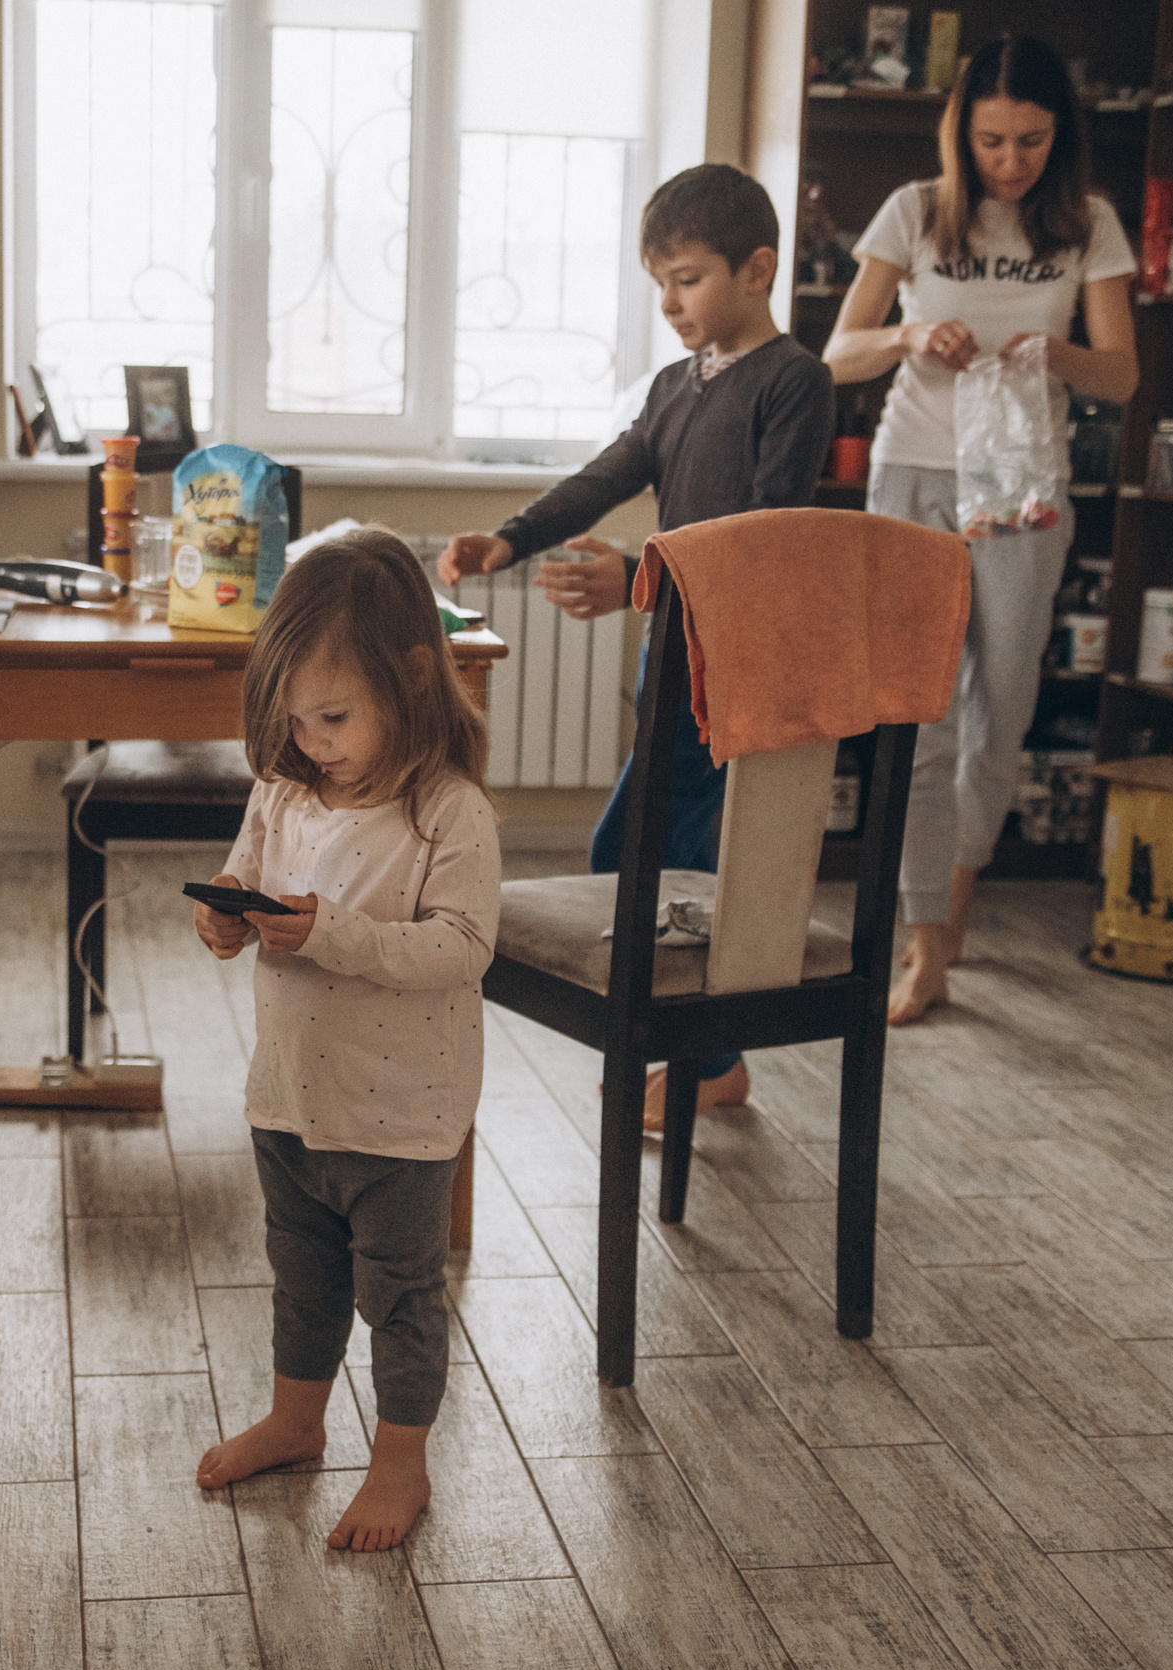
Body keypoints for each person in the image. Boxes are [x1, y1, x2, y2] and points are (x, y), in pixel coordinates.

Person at [435, 163, 835, 1131]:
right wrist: (512, 537)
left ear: (758, 268)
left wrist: (637, 575)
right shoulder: (673, 386)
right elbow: (605, 474)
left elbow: (763, 535)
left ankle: (706, 1057)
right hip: (673, 660)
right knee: (666, 857)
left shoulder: (794, 382)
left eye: (688, 278)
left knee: (653, 852)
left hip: (738, 667)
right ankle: (708, 1059)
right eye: (659, 282)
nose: (668, 302)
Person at [192, 529, 498, 1554]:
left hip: (402, 1114)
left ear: (412, 677)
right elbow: (244, 876)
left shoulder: (445, 812)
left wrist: (333, 932)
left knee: (399, 1293)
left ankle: (400, 1459)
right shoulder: (283, 791)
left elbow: (458, 949)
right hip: (288, 1094)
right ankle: (296, 1416)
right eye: (295, 718)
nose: (312, 738)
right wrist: (224, 915)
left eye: (333, 715)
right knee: (302, 1274)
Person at [823, 35, 1138, 1025]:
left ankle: (951, 910)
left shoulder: (1088, 223)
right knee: (919, 712)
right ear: (960, 130)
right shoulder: (913, 210)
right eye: (993, 140)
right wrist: (910, 335)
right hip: (913, 469)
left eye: (1032, 142)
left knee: (998, 707)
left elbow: (1122, 375)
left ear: (1061, 136)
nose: (1010, 161)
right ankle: (925, 943)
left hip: (1021, 481)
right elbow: (836, 354)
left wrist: (1060, 355)